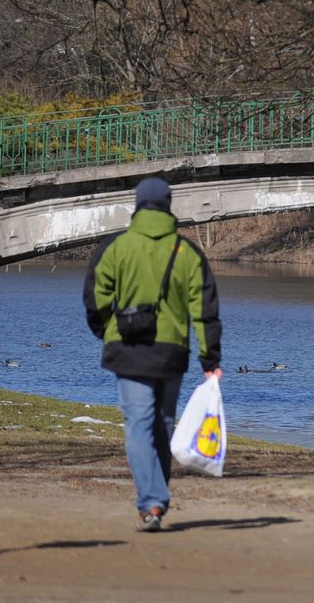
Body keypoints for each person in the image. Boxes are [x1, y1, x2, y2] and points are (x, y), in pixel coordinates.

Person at [82, 177, 222, 532]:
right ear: (168, 204)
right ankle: (156, 500)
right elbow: (204, 308)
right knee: (161, 425)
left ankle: (152, 504)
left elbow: (95, 297)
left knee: (139, 427)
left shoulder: (116, 247)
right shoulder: (186, 252)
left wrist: (105, 332)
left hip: (127, 349)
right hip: (171, 353)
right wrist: (211, 359)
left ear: (138, 204)